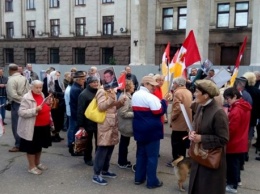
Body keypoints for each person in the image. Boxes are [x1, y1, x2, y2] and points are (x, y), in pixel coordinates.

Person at [188, 79, 229, 194]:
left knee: (207, 189)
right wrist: (192, 133)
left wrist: (201, 138)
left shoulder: (218, 113)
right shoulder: (200, 106)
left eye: (197, 92)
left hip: (211, 161)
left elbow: (223, 139)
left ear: (206, 95)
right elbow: (196, 125)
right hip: (199, 157)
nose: (194, 94)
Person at [132, 76, 168, 189]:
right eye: (152, 85)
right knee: (152, 157)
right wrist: (164, 102)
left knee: (141, 154)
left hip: (139, 128)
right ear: (146, 84)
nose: (154, 88)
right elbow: (158, 111)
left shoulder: (135, 94)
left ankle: (139, 178)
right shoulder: (150, 97)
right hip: (151, 130)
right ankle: (152, 181)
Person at [92, 86, 126, 186]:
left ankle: (105, 170)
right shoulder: (101, 91)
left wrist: (120, 102)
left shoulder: (111, 90)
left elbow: (113, 107)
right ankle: (96, 174)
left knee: (110, 147)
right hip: (105, 124)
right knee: (103, 149)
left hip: (112, 123)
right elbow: (101, 107)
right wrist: (111, 98)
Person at [17, 80, 52, 175]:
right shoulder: (27, 97)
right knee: (31, 148)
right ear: (31, 87)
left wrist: (48, 105)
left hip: (43, 126)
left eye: (40, 87)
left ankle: (37, 163)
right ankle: (31, 167)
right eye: (36, 87)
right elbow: (21, 112)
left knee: (39, 146)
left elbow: (43, 106)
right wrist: (35, 110)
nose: (39, 89)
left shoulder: (42, 95)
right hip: (32, 127)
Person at [223, 87, 251, 193]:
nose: (227, 101)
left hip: (234, 142)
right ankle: (236, 181)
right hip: (241, 140)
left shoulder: (236, 110)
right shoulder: (244, 106)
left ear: (235, 96)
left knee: (232, 165)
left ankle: (232, 185)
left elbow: (231, 128)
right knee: (236, 164)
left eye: (228, 99)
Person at [167, 77, 192, 167]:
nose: (173, 85)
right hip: (186, 121)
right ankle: (182, 159)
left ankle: (176, 160)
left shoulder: (178, 92)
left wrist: (172, 118)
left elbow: (177, 108)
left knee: (176, 143)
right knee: (182, 142)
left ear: (178, 84)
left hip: (179, 122)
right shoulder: (188, 92)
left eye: (174, 83)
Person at [6, 63, 30, 152]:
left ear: (10, 70)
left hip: (17, 103)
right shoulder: (24, 78)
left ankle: (18, 144)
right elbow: (28, 91)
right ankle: (25, 143)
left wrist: (22, 99)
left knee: (16, 125)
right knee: (24, 124)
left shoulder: (11, 80)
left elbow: (12, 94)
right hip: (25, 103)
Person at [77, 76, 99, 166]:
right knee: (88, 142)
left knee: (99, 142)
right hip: (87, 122)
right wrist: (81, 124)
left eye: (97, 82)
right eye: (93, 82)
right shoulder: (84, 94)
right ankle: (87, 158)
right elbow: (80, 110)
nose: (96, 84)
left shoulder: (98, 92)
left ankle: (98, 158)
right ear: (89, 83)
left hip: (98, 121)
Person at [117, 80, 135, 168]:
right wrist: (135, 114)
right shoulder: (125, 97)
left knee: (124, 143)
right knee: (124, 143)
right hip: (125, 125)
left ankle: (122, 160)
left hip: (126, 124)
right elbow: (123, 113)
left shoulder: (127, 96)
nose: (134, 86)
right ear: (128, 87)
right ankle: (122, 161)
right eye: (132, 85)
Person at [68, 71, 86, 155]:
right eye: (82, 79)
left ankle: (73, 147)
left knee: (74, 130)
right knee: (75, 131)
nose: (84, 80)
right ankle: (73, 149)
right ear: (77, 80)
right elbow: (79, 104)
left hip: (74, 112)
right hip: (75, 113)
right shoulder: (76, 89)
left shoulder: (77, 87)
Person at [48, 71, 65, 142]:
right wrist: (61, 94)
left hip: (60, 102)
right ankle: (53, 135)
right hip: (55, 103)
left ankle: (57, 134)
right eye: (56, 75)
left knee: (60, 119)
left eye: (58, 75)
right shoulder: (51, 82)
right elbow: (51, 92)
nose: (58, 77)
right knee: (55, 119)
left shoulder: (60, 82)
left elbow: (63, 90)